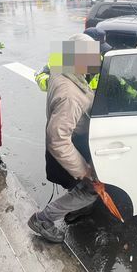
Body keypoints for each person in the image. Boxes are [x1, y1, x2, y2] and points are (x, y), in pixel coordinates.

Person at [27, 34, 102, 243]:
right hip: (68, 148)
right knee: (90, 189)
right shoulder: (70, 96)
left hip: (66, 143)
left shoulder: (60, 67)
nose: (93, 66)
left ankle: (76, 208)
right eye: (90, 60)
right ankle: (43, 219)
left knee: (78, 188)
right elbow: (58, 140)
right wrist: (84, 170)